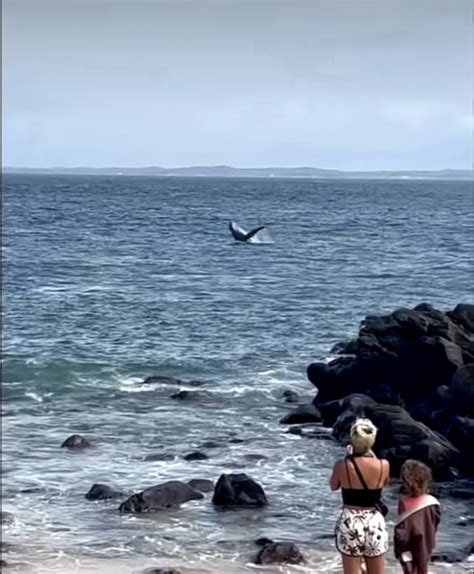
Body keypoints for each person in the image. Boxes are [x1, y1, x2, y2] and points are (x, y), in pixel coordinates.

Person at [330, 418, 390, 574]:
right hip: (374, 521)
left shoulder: (342, 464)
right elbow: (385, 483)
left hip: (350, 521)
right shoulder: (383, 465)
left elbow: (334, 486)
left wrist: (349, 457)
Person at [394, 460, 441, 574]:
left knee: (410, 571)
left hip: (408, 547)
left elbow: (402, 531)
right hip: (427, 544)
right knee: (423, 569)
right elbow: (436, 523)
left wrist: (398, 549)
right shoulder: (433, 503)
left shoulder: (404, 503)